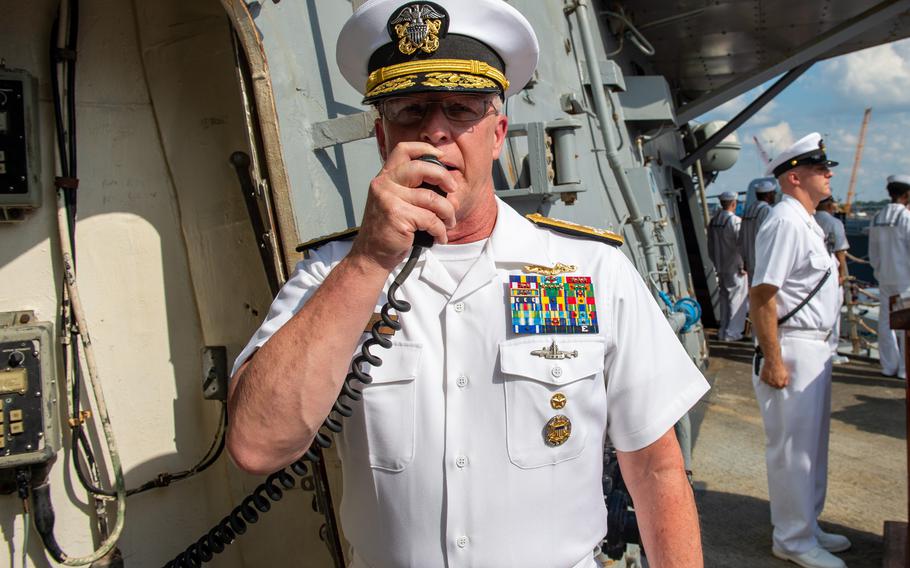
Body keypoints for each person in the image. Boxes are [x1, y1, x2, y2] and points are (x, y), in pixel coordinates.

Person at [225, 1, 709, 567]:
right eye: (410, 111)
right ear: (383, 139)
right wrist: (369, 261)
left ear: (498, 133)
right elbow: (257, 445)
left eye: (460, 109)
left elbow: (655, 467)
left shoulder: (590, 272)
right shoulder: (331, 275)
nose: (435, 131)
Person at [750, 133, 850, 568]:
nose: (828, 174)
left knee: (812, 448)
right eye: (819, 169)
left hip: (815, 347)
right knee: (793, 451)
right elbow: (762, 294)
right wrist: (773, 359)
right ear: (795, 177)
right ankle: (792, 540)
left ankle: (807, 524)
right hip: (791, 348)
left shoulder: (805, 220)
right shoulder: (786, 221)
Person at [868, 174, 910, 379]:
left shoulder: (877, 217)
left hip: (884, 277)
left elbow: (873, 253)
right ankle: (904, 368)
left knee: (885, 324)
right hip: (906, 279)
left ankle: (888, 366)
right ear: (907, 194)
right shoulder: (906, 217)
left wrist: (879, 271)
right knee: (905, 326)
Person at [814, 196, 850, 365]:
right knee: (833, 315)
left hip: (812, 274)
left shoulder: (809, 218)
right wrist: (842, 274)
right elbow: (840, 251)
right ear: (828, 205)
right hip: (830, 273)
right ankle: (831, 351)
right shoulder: (835, 223)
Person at [708, 191, 747, 341]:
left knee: (724, 300)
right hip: (735, 267)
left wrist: (716, 262)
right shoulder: (735, 221)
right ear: (733, 203)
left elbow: (710, 246)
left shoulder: (714, 221)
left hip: (721, 266)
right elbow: (741, 244)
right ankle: (733, 333)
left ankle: (723, 331)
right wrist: (744, 264)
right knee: (736, 301)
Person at [740, 179, 777, 283]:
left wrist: (745, 259)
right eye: (773, 193)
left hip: (750, 261)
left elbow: (741, 239)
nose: (775, 195)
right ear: (768, 195)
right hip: (764, 262)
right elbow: (772, 238)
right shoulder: (767, 210)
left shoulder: (748, 211)